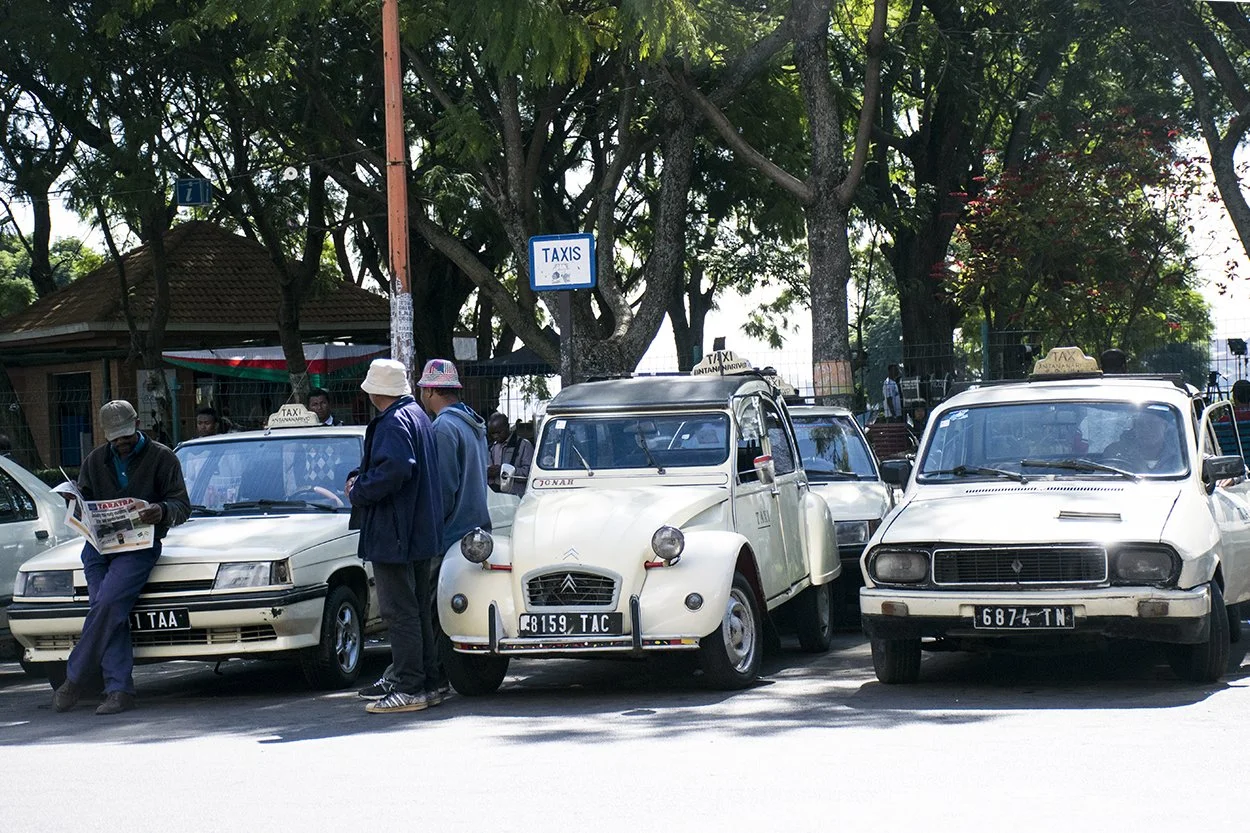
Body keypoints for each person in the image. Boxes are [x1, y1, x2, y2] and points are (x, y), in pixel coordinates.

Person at [52, 400, 190, 715]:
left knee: (106, 604)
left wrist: (162, 511)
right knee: (109, 609)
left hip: (139, 546)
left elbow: (182, 505)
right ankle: (119, 691)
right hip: (98, 547)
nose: (122, 442)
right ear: (106, 435)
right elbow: (84, 499)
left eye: (126, 434)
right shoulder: (94, 460)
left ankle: (74, 679)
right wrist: (74, 504)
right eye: (115, 437)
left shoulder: (162, 457)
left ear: (137, 423)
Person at [346, 359, 444, 714]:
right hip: (417, 532)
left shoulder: (393, 421)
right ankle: (427, 683)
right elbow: (400, 465)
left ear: (377, 391)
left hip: (395, 533)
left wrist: (359, 489)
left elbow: (396, 469)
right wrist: (364, 477)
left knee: (399, 613)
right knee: (416, 609)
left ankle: (409, 686)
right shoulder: (417, 416)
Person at [1103, 407, 1183, 473]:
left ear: (1165, 426)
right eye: (1140, 424)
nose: (1146, 430)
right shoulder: (1115, 452)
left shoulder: (1180, 455)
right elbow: (1104, 480)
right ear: (1134, 428)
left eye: (1152, 424)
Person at [487, 412, 533, 496]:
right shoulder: (491, 448)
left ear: (507, 427)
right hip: (494, 496)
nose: (495, 436)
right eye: (492, 433)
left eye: (499, 432)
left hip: (515, 496)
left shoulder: (524, 445)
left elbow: (528, 473)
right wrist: (487, 472)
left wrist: (504, 471)